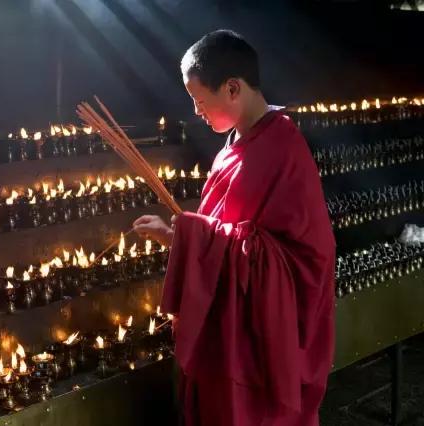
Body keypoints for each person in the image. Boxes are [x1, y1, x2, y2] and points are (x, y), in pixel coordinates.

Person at [133, 30, 335, 426]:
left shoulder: (284, 148)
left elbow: (303, 260)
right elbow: (227, 232)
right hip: (225, 321)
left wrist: (191, 237)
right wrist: (180, 236)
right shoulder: (232, 146)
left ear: (232, 88)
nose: (196, 111)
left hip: (259, 340)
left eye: (199, 100)